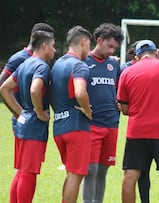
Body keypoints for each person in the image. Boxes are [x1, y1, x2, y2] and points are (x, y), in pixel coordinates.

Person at [117, 39, 159, 203]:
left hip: (137, 131)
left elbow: (124, 109)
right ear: (157, 52)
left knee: (130, 176)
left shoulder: (127, 72)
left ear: (137, 56)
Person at [0, 30, 55, 203]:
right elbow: (35, 89)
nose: (54, 51)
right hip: (34, 126)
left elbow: (4, 89)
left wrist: (21, 113)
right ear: (44, 46)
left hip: (23, 123)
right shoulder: (42, 66)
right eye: (53, 46)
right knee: (29, 173)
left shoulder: (24, 64)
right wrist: (39, 113)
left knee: (22, 171)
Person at [81, 23, 124, 203]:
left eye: (114, 47)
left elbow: (121, 90)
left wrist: (120, 102)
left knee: (103, 170)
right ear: (99, 41)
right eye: (110, 46)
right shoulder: (84, 62)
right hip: (91, 124)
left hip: (112, 124)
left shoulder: (113, 65)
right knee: (90, 169)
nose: (112, 50)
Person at [50, 25, 92, 203]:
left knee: (71, 174)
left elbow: (50, 94)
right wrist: (88, 112)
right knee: (76, 175)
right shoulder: (79, 65)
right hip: (76, 128)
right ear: (82, 42)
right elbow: (80, 92)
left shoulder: (56, 65)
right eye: (89, 45)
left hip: (59, 126)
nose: (89, 50)